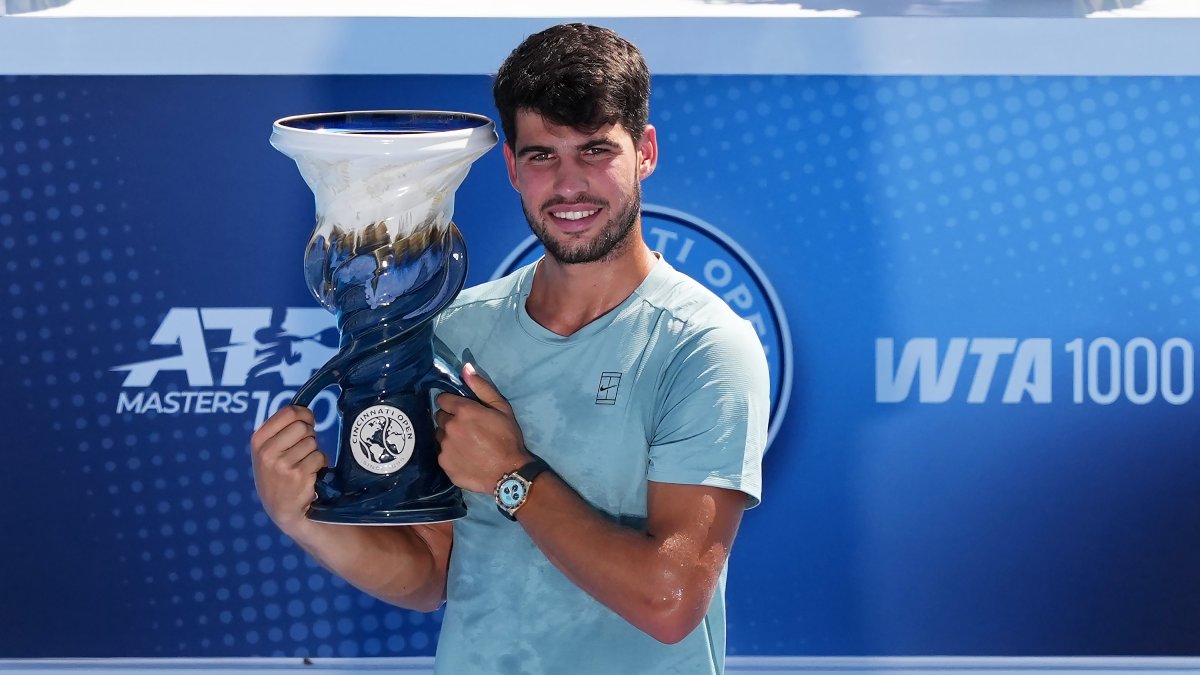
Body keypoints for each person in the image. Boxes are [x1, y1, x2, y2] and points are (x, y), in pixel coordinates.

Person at [250, 22, 769, 675]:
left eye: (595, 150)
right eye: (543, 156)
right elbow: (432, 571)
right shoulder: (455, 330)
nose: (570, 184)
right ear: (511, 168)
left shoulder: (704, 345)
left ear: (645, 151)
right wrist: (303, 518)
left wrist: (510, 475)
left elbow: (668, 600)